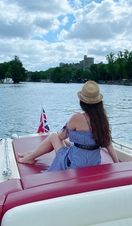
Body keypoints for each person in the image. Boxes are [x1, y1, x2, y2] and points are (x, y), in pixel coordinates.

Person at [18, 80, 119, 171]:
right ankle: (31, 154)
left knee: (54, 136)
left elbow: (61, 136)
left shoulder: (77, 117)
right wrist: (117, 164)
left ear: (82, 102)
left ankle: (29, 158)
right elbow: (108, 144)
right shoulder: (102, 120)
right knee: (67, 143)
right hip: (94, 163)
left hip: (74, 164)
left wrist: (61, 132)